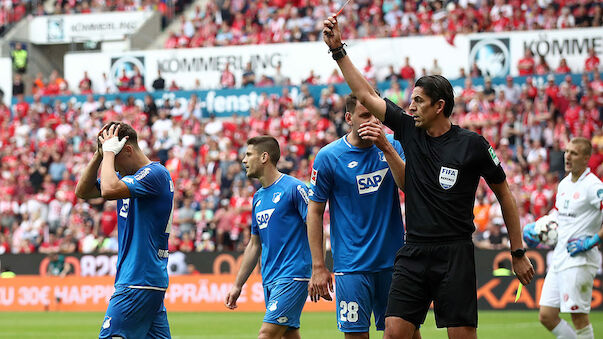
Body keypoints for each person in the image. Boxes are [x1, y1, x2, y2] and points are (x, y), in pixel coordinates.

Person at [321, 15, 534, 339]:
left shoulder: (472, 145)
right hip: (415, 250)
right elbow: (364, 93)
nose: (411, 105)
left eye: (419, 101)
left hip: (455, 252)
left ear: (439, 106)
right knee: (394, 331)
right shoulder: (408, 130)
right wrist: (338, 49)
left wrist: (516, 251)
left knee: (461, 336)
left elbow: (505, 194)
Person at [307, 94, 420, 339]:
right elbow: (314, 211)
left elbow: (409, 187)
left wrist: (386, 147)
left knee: (407, 333)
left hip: (394, 263)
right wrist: (318, 265)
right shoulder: (329, 157)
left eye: (376, 115)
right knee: (356, 335)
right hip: (352, 266)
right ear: (349, 118)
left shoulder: (395, 146)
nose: (373, 121)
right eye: (365, 115)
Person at [75, 122, 174, 339]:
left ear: (127, 149)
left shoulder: (154, 173)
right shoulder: (129, 179)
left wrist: (109, 154)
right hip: (146, 281)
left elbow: (109, 190)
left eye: (114, 158)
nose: (114, 168)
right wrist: (100, 155)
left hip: (137, 280)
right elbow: (82, 191)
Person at [225, 136, 312, 339]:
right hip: (270, 278)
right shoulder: (258, 197)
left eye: (248, 155)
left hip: (293, 275)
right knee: (289, 335)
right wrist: (238, 285)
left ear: (264, 157)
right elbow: (254, 245)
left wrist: (318, 268)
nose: (244, 160)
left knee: (267, 334)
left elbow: (315, 225)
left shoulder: (294, 188)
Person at [537, 137, 602, 339]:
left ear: (586, 158)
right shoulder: (564, 184)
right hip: (560, 257)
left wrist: (593, 240)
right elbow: (559, 215)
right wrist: (538, 226)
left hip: (580, 260)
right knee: (547, 315)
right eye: (567, 151)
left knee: (579, 318)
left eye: (574, 153)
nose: (568, 156)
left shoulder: (593, 186)